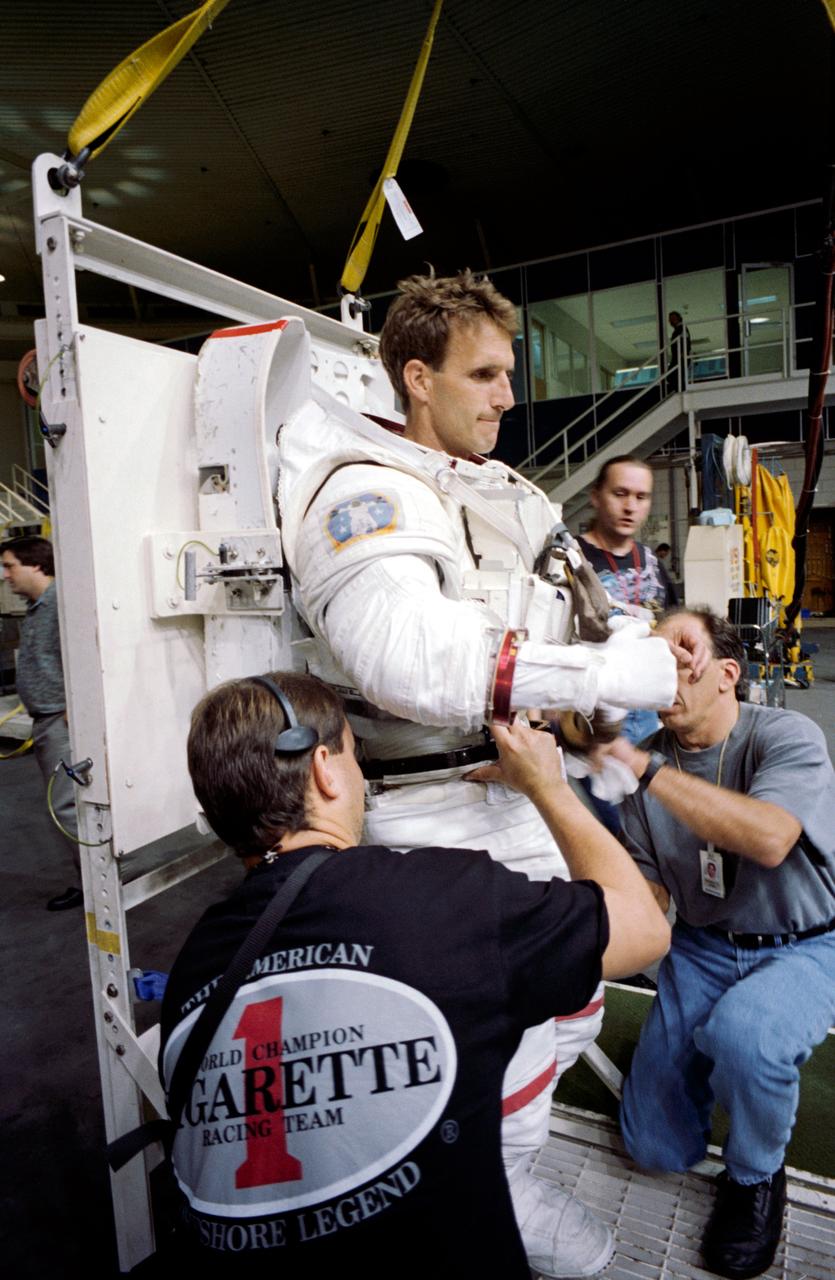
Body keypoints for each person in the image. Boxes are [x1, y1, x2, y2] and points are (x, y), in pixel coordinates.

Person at [274, 269, 706, 1275]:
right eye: (484, 373)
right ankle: (499, 1191)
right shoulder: (361, 485)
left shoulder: (505, 495)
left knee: (578, 995)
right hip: (432, 810)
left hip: (529, 785)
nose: (507, 395)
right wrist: (603, 667)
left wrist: (649, 649)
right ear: (415, 377)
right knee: (498, 1026)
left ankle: (508, 1164)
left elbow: (586, 614)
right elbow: (404, 654)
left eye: (509, 372)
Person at [159, 671, 671, 1278]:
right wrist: (547, 786)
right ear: (324, 769)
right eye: (355, 753)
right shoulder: (444, 900)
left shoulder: (195, 961)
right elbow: (642, 924)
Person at [605, 607, 835, 1280]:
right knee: (651, 1148)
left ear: (726, 673)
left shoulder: (784, 735)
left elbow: (766, 838)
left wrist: (634, 766)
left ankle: (755, 1177)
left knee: (747, 1036)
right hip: (701, 946)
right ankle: (679, 1049)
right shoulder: (644, 776)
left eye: (678, 657)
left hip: (805, 943)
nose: (660, 676)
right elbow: (646, 900)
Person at [1, 535, 81, 910]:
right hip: (47, 721)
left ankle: (97, 890)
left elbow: (82, 653)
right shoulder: (38, 607)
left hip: (61, 723)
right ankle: (89, 882)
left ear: (35, 564)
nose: (6, 576)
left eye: (9, 565)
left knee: (66, 807)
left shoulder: (62, 604)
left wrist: (75, 708)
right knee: (67, 806)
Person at [668, 310, 693, 388]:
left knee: (673, 376)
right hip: (677, 357)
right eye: (670, 319)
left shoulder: (681, 328)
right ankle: (679, 389)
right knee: (674, 376)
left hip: (681, 357)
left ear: (679, 318)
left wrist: (683, 352)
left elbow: (686, 341)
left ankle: (681, 390)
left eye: (673, 318)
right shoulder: (678, 330)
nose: (672, 321)